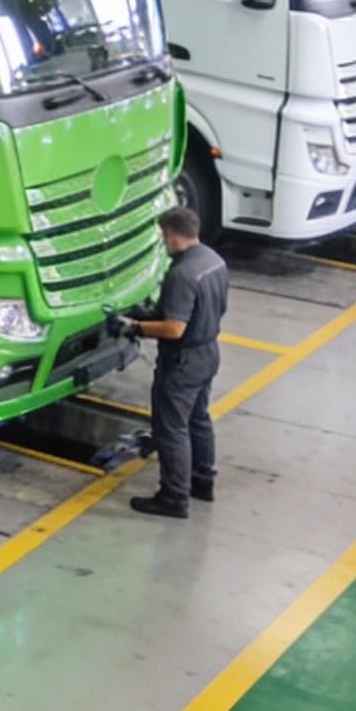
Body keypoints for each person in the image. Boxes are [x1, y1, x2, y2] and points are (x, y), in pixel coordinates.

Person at [129, 205, 226, 519]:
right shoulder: (213, 261)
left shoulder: (182, 273)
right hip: (208, 352)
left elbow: (174, 327)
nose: (163, 242)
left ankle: (173, 498)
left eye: (163, 236)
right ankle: (203, 482)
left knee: (171, 429)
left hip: (182, 361)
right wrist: (145, 314)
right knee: (198, 419)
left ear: (171, 235)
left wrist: (136, 328)